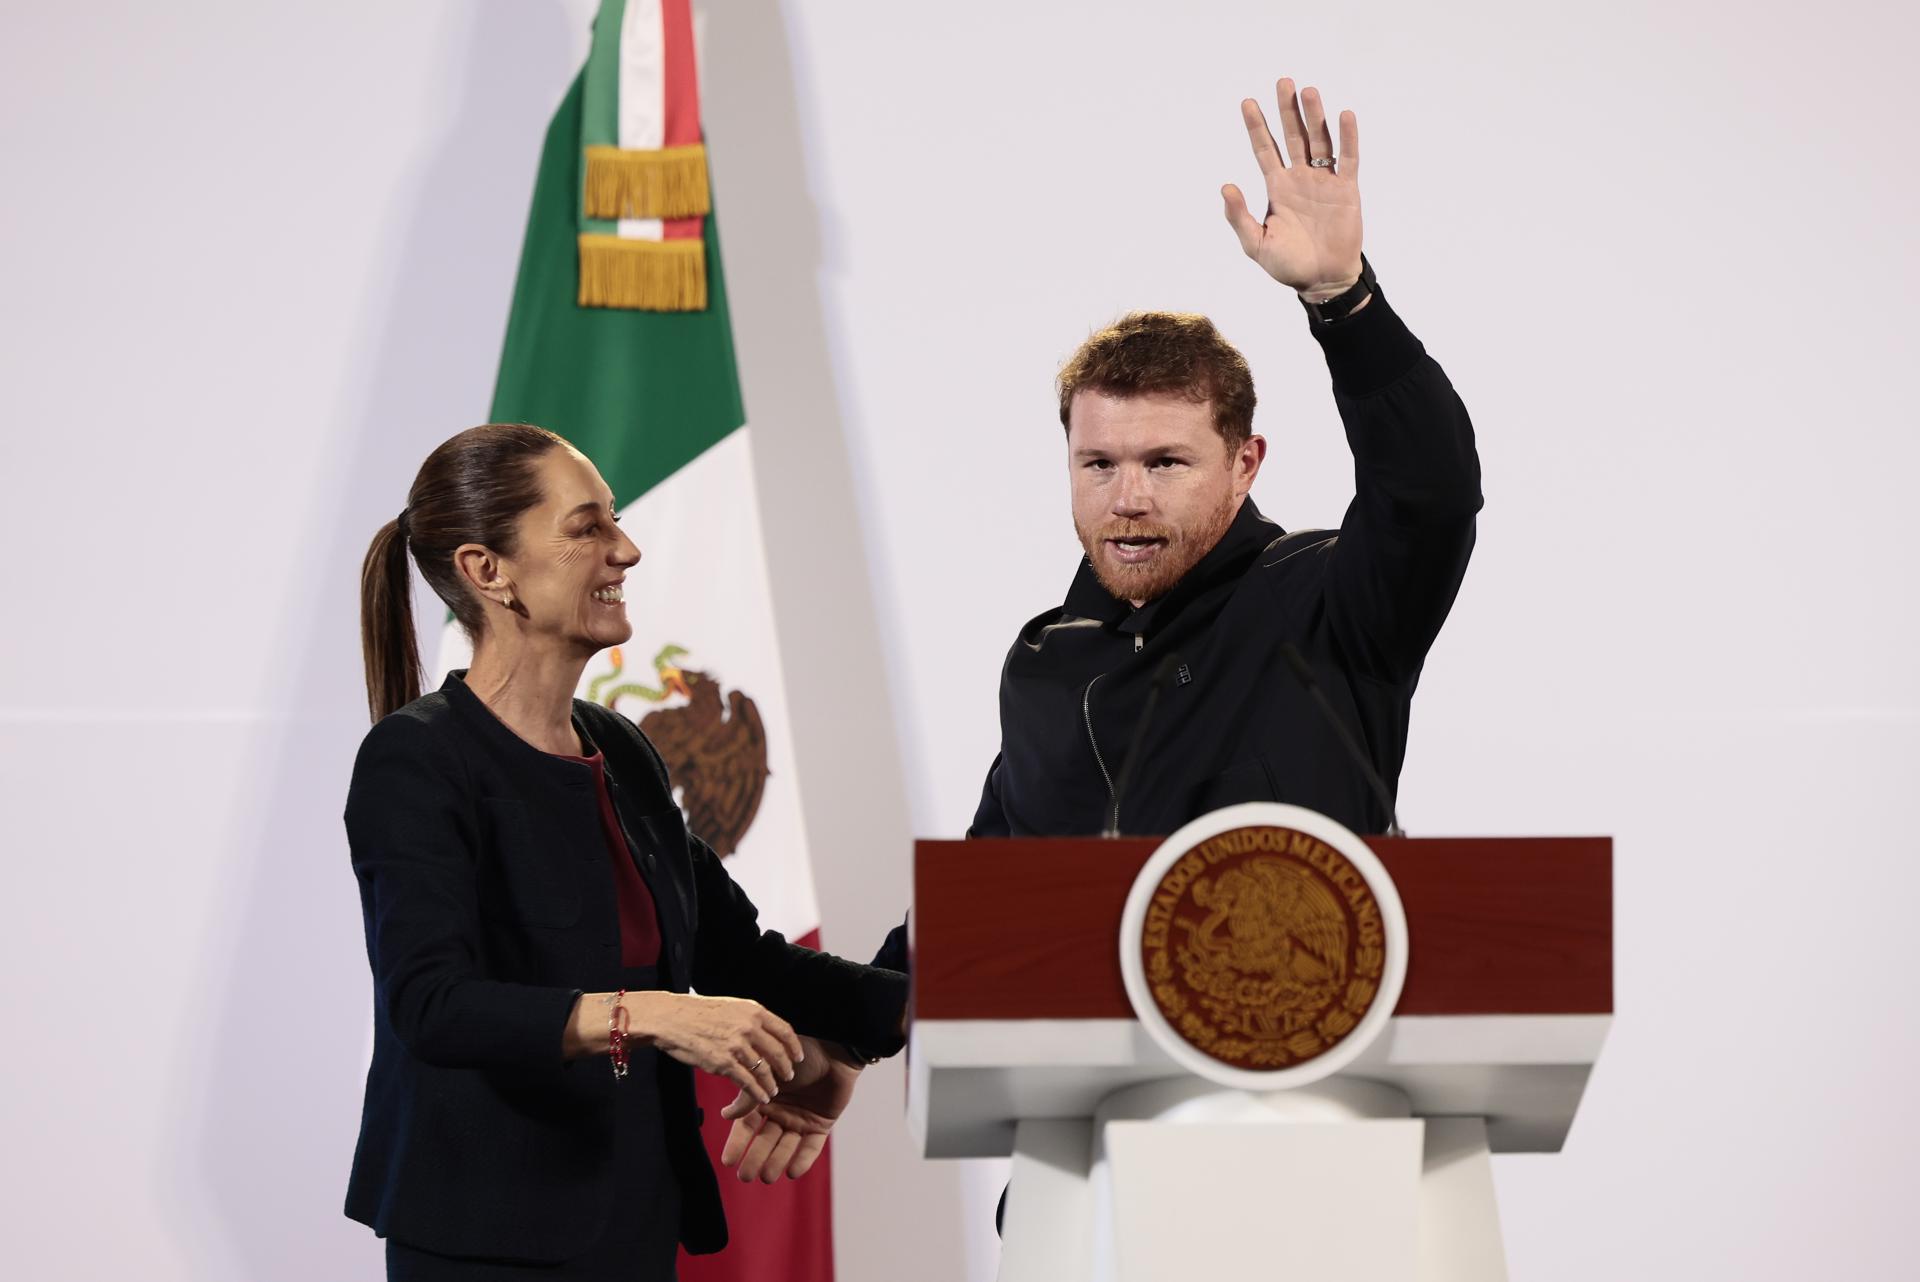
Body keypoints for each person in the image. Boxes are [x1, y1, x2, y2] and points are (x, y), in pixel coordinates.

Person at [346, 423, 905, 1280]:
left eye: (614, 519)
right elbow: (433, 1005)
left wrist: (924, 1007)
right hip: (485, 1237)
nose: (627, 549)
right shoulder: (414, 759)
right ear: (486, 571)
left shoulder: (621, 747)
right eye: (587, 528)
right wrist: (652, 1014)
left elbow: (740, 958)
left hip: (631, 1219)